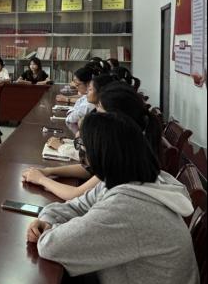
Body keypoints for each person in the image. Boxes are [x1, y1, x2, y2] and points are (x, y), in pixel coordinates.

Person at [28, 112, 200, 284]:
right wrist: (47, 221)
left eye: (83, 148)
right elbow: (75, 206)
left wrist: (49, 229)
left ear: (102, 154)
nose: (82, 156)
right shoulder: (134, 179)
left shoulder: (128, 208)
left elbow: (52, 246)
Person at [22, 81, 163, 201]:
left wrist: (41, 179)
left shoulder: (124, 153)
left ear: (116, 117)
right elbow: (90, 171)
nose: (95, 113)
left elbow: (75, 194)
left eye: (99, 108)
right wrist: (49, 171)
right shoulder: (130, 141)